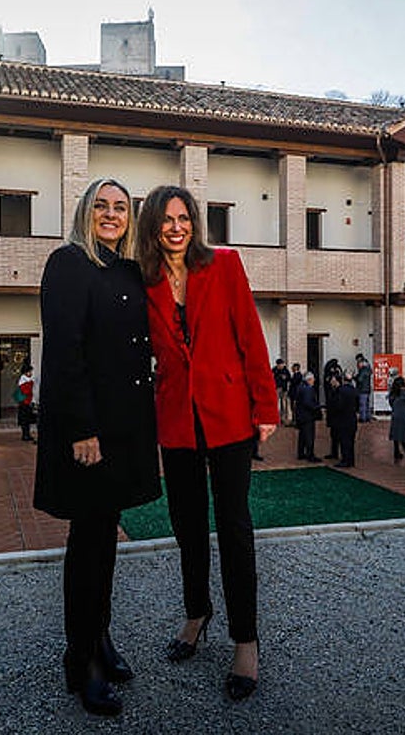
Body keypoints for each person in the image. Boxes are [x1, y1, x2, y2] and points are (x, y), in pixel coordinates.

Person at [135, 184, 278, 702]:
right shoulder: (143, 280)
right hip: (176, 421)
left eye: (184, 217)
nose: (177, 227)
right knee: (187, 526)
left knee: (235, 528)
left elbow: (250, 335)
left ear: (194, 222)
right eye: (166, 219)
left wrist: (266, 406)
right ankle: (196, 614)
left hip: (228, 417)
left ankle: (246, 640)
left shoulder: (224, 265)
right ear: (152, 226)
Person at [33, 178, 161, 717]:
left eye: (121, 208)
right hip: (87, 433)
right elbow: (65, 353)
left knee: (105, 543)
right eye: (102, 206)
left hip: (125, 428)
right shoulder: (67, 264)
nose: (111, 214)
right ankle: (79, 658)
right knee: (86, 545)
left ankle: (101, 639)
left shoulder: (128, 269)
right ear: (86, 212)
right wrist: (84, 429)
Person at [329, 370, 359, 468]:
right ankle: (351, 460)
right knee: (351, 441)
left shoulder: (341, 391)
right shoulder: (354, 390)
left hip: (343, 419)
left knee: (344, 441)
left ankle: (345, 460)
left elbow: (338, 405)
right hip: (352, 418)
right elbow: (358, 404)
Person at [388, 375, 405, 463]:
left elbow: (391, 402)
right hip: (404, 415)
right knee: (404, 434)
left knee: (396, 434)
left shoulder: (393, 393)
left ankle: (396, 451)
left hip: (395, 415)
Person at [295, 372, 321, 461]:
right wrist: (317, 407)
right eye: (313, 379)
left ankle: (301, 453)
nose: (314, 381)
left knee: (302, 435)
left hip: (301, 415)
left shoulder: (301, 387)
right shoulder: (308, 389)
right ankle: (310, 454)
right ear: (309, 380)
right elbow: (308, 403)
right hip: (307, 416)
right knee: (309, 435)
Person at [322, 358, 343, 461]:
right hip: (333, 418)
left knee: (339, 437)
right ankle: (333, 453)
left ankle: (341, 455)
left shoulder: (339, 392)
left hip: (338, 418)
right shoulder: (331, 392)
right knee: (333, 436)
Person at [16, 361, 36, 442]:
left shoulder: (26, 379)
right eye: (30, 371)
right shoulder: (24, 380)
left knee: (27, 420)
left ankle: (27, 434)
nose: (31, 373)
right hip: (24, 403)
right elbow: (26, 391)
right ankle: (25, 435)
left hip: (27, 402)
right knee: (25, 420)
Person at [273, 359, 292, 426]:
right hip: (277, 389)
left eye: (282, 364)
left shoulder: (285, 370)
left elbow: (289, 379)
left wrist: (286, 378)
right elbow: (271, 377)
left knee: (284, 405)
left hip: (284, 389)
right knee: (276, 404)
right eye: (279, 365)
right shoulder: (274, 370)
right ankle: (276, 419)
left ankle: (283, 419)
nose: (281, 366)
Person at [354, 354, 373, 422]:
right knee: (367, 404)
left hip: (362, 389)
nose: (358, 364)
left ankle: (363, 418)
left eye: (358, 362)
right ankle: (368, 417)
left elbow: (360, 379)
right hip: (367, 389)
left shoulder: (363, 370)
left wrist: (354, 377)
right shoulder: (368, 369)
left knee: (362, 404)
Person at [287, 362, 304, 431]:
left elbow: (295, 384)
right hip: (292, 394)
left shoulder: (298, 375)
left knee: (295, 408)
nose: (292, 368)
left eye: (293, 367)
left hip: (295, 394)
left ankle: (296, 422)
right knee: (293, 408)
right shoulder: (294, 375)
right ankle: (294, 421)